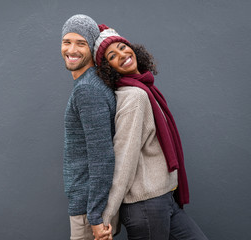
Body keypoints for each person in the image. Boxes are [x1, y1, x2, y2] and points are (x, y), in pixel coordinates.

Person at [92, 24, 209, 240]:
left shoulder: (146, 89)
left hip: (164, 199)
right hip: (146, 206)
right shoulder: (135, 97)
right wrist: (106, 216)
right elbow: (124, 158)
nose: (122, 55)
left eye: (122, 47)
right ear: (109, 68)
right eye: (112, 56)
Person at [61, 15, 118, 240]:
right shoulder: (90, 84)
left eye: (81, 43)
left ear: (91, 48)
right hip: (88, 205)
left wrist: (94, 216)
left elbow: (101, 156)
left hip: (87, 209)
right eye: (67, 41)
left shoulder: (88, 90)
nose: (72, 49)